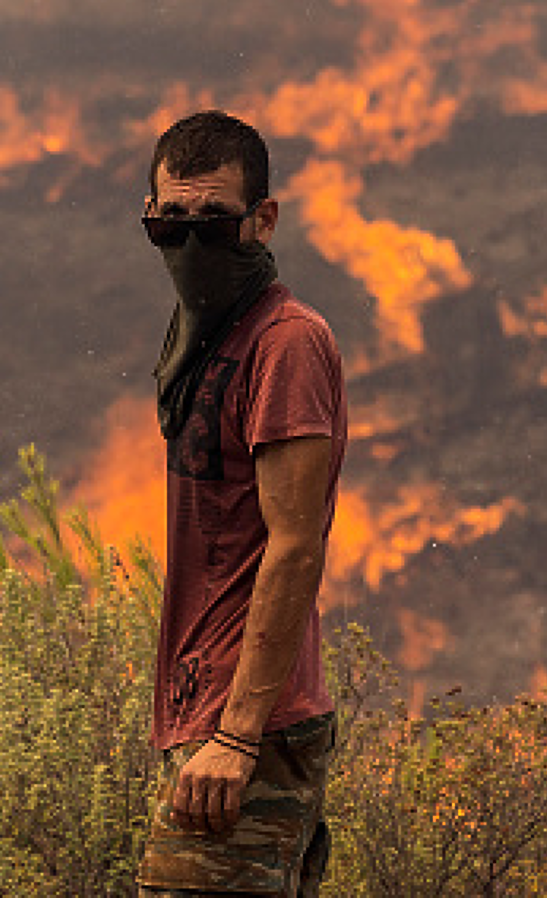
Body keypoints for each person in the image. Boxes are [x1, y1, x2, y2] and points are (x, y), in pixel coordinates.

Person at [137, 110, 347, 897]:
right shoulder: (199, 340)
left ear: (263, 220)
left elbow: (294, 544)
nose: (191, 247)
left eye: (215, 223)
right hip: (205, 716)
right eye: (170, 225)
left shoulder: (283, 342)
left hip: (246, 728)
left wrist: (236, 731)